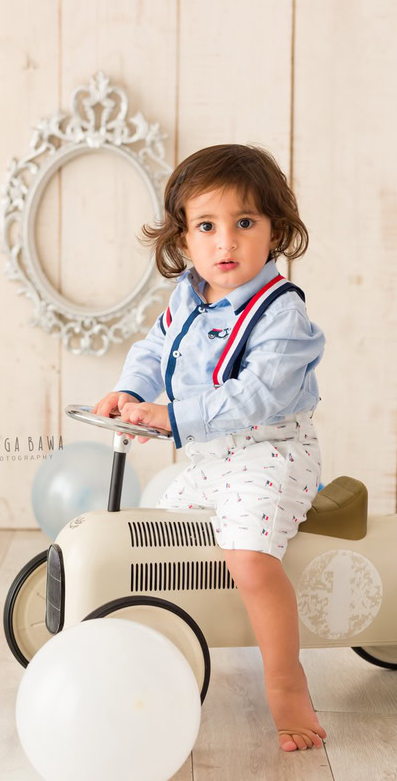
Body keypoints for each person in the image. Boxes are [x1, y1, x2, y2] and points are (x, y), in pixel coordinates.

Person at [93, 143, 327, 752]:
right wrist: (129, 390)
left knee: (249, 556)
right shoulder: (189, 297)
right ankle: (165, 651)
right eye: (207, 226)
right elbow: (154, 349)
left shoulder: (280, 313)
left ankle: (286, 683)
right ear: (184, 241)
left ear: (276, 230)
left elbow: (257, 399)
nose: (226, 243)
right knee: (163, 538)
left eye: (244, 223)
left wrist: (171, 417)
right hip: (211, 458)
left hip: (272, 455)